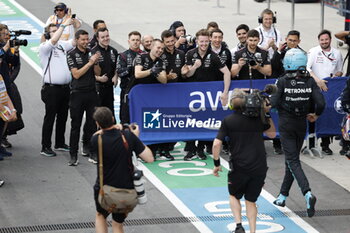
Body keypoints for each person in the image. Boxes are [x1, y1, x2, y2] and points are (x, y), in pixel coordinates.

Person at [271, 48, 326, 218]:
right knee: (291, 160)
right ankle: (282, 196)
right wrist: (315, 115)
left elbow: (273, 102)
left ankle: (307, 193)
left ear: (287, 63)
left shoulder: (282, 81)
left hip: (286, 124)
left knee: (293, 161)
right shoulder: (309, 81)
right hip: (302, 123)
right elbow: (321, 103)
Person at [212, 89, 276, 233]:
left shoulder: (228, 121)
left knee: (234, 195)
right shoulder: (259, 119)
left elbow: (216, 144)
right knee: (251, 201)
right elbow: (272, 134)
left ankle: (239, 226)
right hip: (259, 166)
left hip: (239, 167)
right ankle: (252, 231)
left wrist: (216, 164)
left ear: (231, 105)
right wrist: (266, 113)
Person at [90, 107, 154, 233]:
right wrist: (135, 138)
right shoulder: (128, 136)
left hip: (104, 188)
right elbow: (149, 158)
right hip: (126, 189)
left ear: (97, 123)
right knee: (117, 224)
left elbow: (97, 134)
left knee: (100, 216)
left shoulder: (96, 140)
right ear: (113, 119)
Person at [183, 29, 231, 161]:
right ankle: (191, 149)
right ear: (197, 41)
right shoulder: (190, 54)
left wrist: (225, 92)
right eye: (201, 41)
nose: (203, 44)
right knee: (192, 121)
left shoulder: (214, 56)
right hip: (193, 95)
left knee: (204, 121)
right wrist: (194, 67)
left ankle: (200, 149)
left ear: (209, 40)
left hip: (207, 96)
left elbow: (227, 73)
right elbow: (187, 74)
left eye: (205, 41)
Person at [39, 18, 75, 157]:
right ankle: (45, 146)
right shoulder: (45, 47)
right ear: (48, 35)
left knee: (63, 117)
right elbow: (53, 41)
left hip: (65, 88)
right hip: (51, 89)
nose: (56, 34)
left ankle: (59, 142)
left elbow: (74, 42)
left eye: (57, 31)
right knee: (50, 117)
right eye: (53, 31)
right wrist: (63, 25)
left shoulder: (62, 45)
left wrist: (74, 26)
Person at [66, 29, 100, 166]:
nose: (86, 42)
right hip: (77, 93)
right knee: (76, 125)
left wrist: (96, 63)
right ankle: (73, 155)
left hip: (92, 92)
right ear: (77, 40)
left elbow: (98, 72)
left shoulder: (92, 52)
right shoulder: (71, 54)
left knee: (93, 124)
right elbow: (76, 75)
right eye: (83, 40)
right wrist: (90, 63)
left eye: (87, 39)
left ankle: (92, 152)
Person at [307, 29, 343, 155]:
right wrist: (318, 81)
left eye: (326, 39)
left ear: (330, 40)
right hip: (315, 87)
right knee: (313, 113)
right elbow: (307, 68)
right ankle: (310, 144)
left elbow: (340, 71)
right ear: (319, 40)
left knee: (327, 114)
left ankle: (325, 145)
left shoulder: (337, 53)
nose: (324, 42)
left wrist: (335, 76)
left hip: (329, 89)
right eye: (322, 40)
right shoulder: (313, 51)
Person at [0, 24, 23, 148]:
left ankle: (3, 138)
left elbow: (13, 62)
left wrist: (17, 50)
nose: (6, 36)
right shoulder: (3, 47)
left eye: (7, 34)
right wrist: (7, 46)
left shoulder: (5, 47)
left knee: (7, 113)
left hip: (6, 85)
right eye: (4, 34)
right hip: (0, 85)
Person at [116, 31, 144, 124]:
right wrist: (131, 69)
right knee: (125, 118)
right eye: (133, 40)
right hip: (127, 91)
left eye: (137, 40)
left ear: (140, 41)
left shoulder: (145, 55)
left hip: (141, 90)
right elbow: (120, 72)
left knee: (141, 116)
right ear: (128, 41)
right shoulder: (123, 56)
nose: (135, 42)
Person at [91, 27, 118, 115]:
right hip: (97, 88)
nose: (106, 39)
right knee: (98, 115)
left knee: (110, 115)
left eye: (107, 36)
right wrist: (98, 78)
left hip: (109, 89)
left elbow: (117, 66)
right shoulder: (92, 52)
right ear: (98, 38)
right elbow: (87, 73)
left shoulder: (113, 51)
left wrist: (116, 76)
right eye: (103, 37)